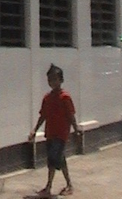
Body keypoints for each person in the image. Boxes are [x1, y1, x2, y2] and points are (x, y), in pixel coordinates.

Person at [28, 64, 81, 196]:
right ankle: (65, 185)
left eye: (55, 79)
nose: (52, 82)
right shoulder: (47, 98)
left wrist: (76, 129)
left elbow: (71, 115)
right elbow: (43, 116)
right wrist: (34, 130)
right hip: (50, 133)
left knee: (53, 158)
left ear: (61, 80)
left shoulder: (65, 97)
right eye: (50, 80)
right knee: (57, 159)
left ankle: (49, 186)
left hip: (61, 134)